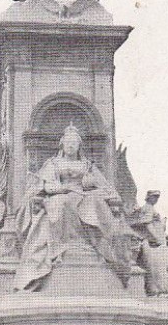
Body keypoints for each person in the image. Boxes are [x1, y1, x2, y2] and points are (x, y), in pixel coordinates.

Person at [14, 124, 130, 291]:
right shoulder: (53, 163)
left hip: (84, 195)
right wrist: (65, 188)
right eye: (68, 142)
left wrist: (91, 185)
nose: (70, 145)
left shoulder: (87, 165)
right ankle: (60, 249)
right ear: (62, 144)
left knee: (95, 202)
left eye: (74, 143)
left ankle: (96, 247)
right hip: (60, 195)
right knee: (62, 203)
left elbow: (103, 186)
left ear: (79, 146)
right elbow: (47, 187)